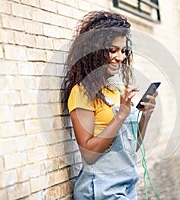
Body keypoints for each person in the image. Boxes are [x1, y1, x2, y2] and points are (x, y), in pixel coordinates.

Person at [61, 10, 158, 200]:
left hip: (127, 188)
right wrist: (121, 115)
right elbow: (89, 154)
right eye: (112, 50)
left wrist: (146, 115)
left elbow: (131, 148)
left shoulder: (116, 90)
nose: (120, 57)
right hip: (101, 190)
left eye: (122, 51)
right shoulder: (82, 93)